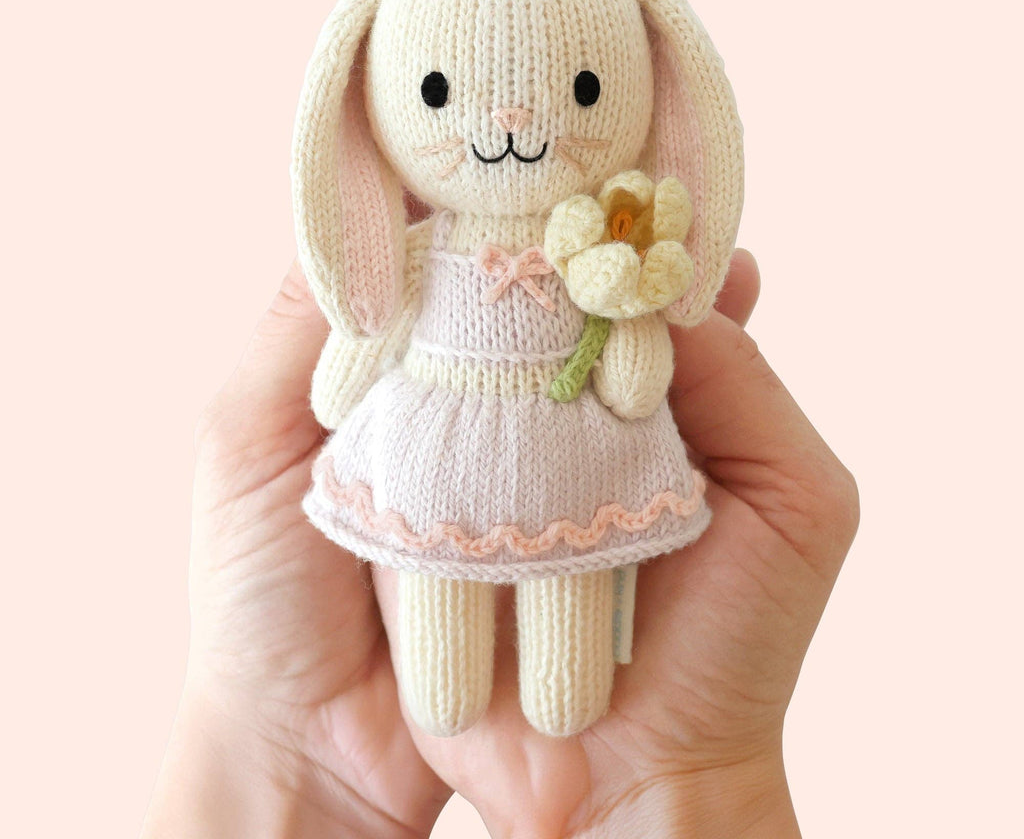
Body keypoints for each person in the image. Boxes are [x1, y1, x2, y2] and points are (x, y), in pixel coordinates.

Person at [141, 248, 858, 838]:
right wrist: (682, 780)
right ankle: (444, 687)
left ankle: (564, 687)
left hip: (569, 462)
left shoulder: (593, 260)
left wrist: (273, 751)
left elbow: (634, 376)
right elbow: (359, 350)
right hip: (436, 459)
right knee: (433, 565)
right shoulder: (422, 252)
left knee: (576, 562)